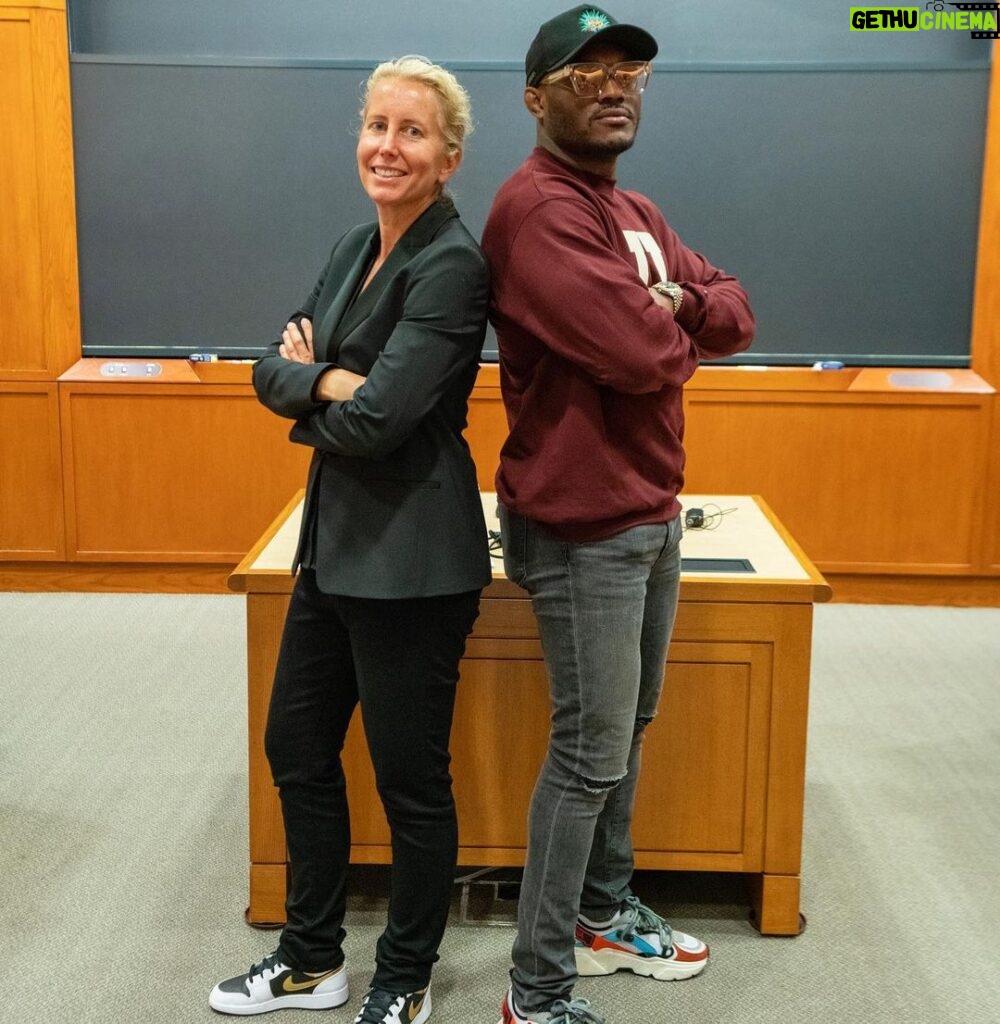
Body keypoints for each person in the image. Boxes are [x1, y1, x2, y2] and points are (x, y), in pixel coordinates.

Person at [480, 8, 755, 1024]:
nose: (615, 86)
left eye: (630, 71)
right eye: (587, 70)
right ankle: (535, 990)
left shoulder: (631, 206)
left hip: (648, 510)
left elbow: (734, 310)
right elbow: (642, 355)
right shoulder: (536, 210)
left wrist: (676, 305)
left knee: (624, 730)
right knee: (588, 752)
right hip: (580, 524)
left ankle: (601, 911)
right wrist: (677, 313)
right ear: (535, 96)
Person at [209, 56, 491, 1024]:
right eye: (377, 125)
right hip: (333, 542)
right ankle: (310, 959)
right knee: (296, 745)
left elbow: (380, 422)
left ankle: (404, 977)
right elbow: (270, 366)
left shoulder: (453, 266)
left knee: (410, 781)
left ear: (447, 158)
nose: (387, 145)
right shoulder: (349, 247)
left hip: (414, 558)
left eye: (412, 132)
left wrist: (320, 377)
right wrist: (331, 381)